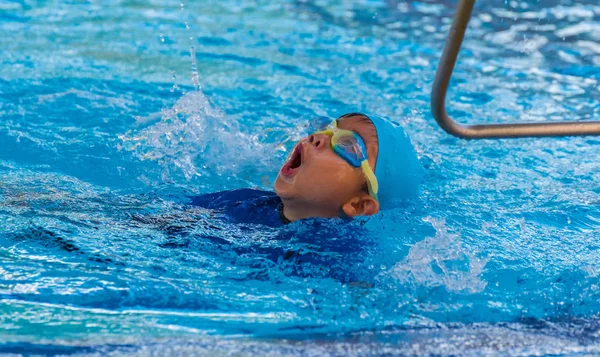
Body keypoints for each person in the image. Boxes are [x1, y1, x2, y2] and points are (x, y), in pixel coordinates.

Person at [190, 113, 423, 227]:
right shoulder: (242, 202)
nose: (317, 137)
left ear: (359, 204)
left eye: (346, 144)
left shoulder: (343, 263)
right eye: (328, 128)